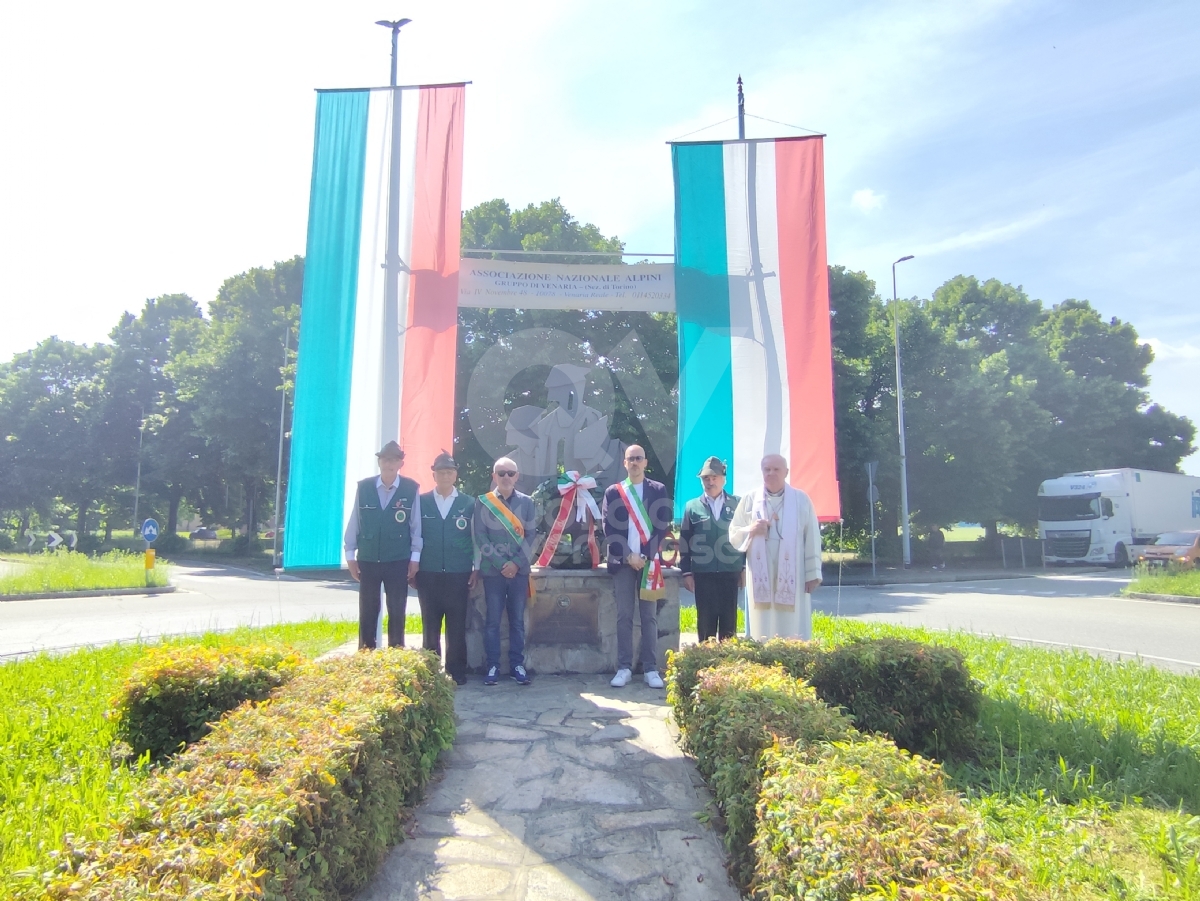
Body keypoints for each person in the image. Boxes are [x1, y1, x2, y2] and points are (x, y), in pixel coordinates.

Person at [728, 454, 822, 640]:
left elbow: (812, 537)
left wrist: (813, 574)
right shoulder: (749, 500)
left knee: (792, 626)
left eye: (776, 469)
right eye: (767, 469)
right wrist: (752, 529)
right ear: (762, 471)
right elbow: (734, 533)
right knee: (761, 625)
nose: (771, 473)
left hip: (794, 576)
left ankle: (794, 656)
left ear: (786, 472)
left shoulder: (801, 499)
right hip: (760, 576)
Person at [602, 444, 672, 688]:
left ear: (645, 462)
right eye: (630, 459)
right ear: (624, 463)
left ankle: (651, 669)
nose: (634, 462)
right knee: (624, 616)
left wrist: (643, 554)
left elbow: (663, 524)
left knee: (649, 616)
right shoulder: (613, 492)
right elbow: (608, 528)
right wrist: (628, 555)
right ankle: (624, 668)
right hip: (622, 563)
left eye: (638, 458)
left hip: (649, 563)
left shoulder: (658, 490)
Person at [344, 441, 422, 650]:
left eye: (394, 460)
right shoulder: (365, 487)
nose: (389, 463)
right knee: (368, 609)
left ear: (400, 464)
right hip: (368, 558)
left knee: (397, 608)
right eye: (385, 459)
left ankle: (396, 652)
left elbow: (416, 526)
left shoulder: (410, 488)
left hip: (398, 559)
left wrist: (415, 558)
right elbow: (355, 521)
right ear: (379, 462)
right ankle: (366, 652)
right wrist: (350, 555)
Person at [416, 451, 478, 685]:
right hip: (428, 572)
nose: (445, 475)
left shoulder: (468, 503)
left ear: (456, 475)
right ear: (434, 475)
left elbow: (475, 538)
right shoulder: (421, 502)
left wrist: (476, 567)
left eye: (450, 471)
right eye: (441, 471)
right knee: (430, 623)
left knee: (456, 624)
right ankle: (431, 669)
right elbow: (415, 535)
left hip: (458, 571)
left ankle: (456, 670)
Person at [474, 456, 537, 686]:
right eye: (501, 473)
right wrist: (502, 563)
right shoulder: (483, 502)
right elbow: (481, 536)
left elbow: (532, 536)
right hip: (494, 572)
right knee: (492, 621)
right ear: (494, 477)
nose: (506, 477)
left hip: (518, 573)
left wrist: (516, 564)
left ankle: (517, 665)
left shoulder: (528, 503)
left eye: (511, 473)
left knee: (517, 622)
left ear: (517, 476)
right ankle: (492, 665)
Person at [679, 456, 746, 642]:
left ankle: (727, 666)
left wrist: (744, 568)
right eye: (705, 478)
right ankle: (705, 664)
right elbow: (685, 541)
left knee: (729, 624)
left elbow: (745, 539)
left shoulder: (737, 504)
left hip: (730, 570)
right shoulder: (692, 507)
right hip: (703, 572)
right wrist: (686, 573)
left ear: (723, 479)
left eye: (714, 477)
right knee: (705, 624)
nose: (710, 482)